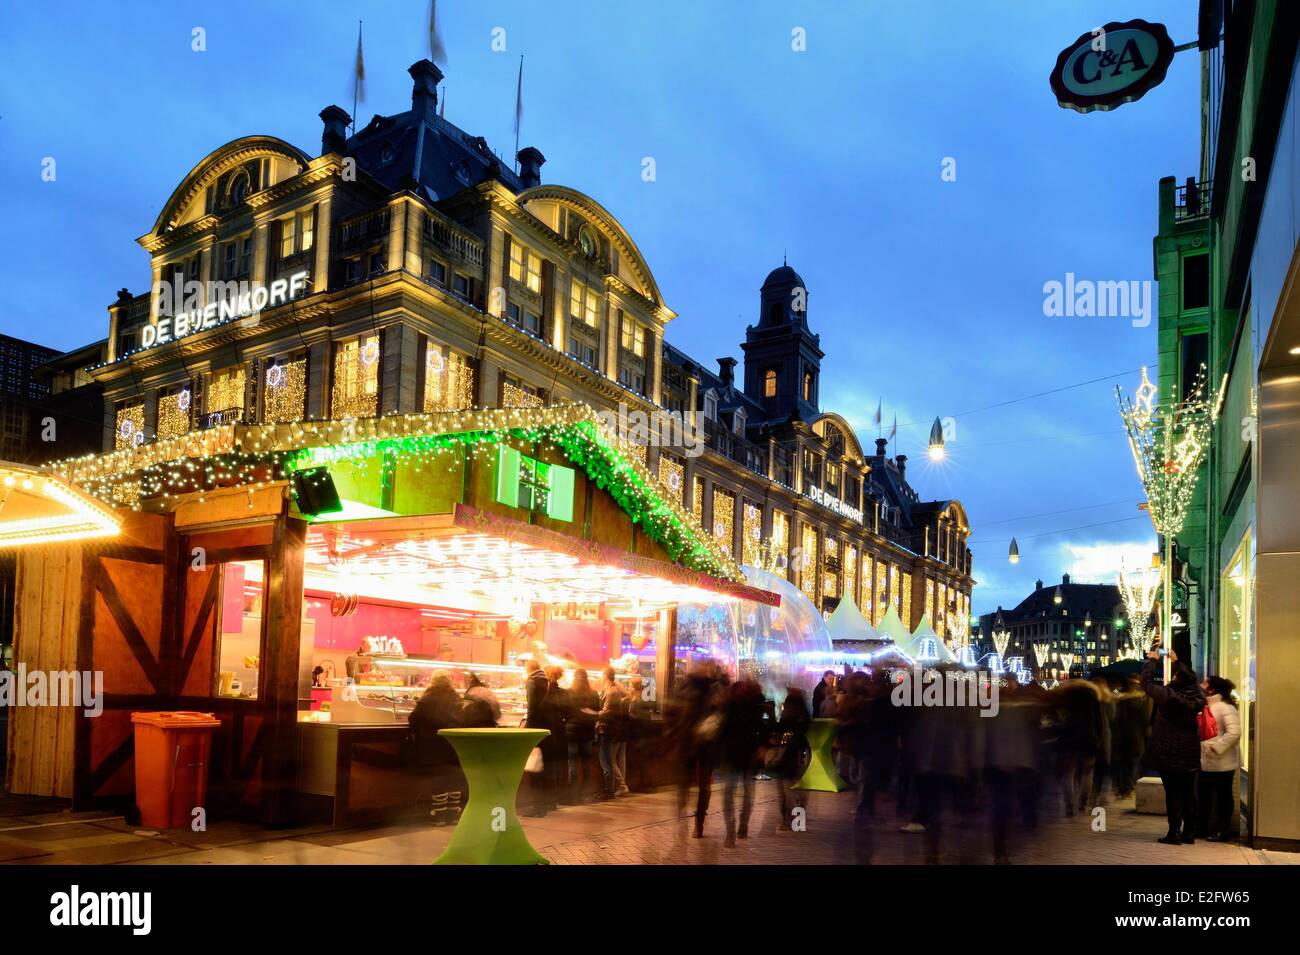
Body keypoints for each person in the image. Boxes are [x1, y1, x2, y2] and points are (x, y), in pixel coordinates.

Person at [1141, 648, 1206, 845]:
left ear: (1177, 679)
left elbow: (1147, 683)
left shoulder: (1169, 696)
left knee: (1173, 794)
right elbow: (1191, 681)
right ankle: (1189, 833)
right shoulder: (1197, 697)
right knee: (1189, 793)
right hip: (1190, 753)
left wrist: (1151, 661)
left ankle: (1174, 832)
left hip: (1169, 752)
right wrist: (1177, 662)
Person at [408, 672, 465, 825]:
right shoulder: (456, 698)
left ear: (433, 682)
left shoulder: (427, 698)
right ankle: (453, 815)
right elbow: (463, 718)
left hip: (433, 744)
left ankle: (439, 817)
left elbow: (413, 719)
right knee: (453, 779)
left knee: (439, 779)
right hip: (453, 744)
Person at [719, 670, 766, 847]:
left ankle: (731, 830)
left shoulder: (729, 701)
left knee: (729, 792)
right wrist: (762, 746)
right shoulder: (756, 700)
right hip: (748, 752)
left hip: (732, 752)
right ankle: (742, 825)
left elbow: (722, 727)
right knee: (747, 790)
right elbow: (762, 726)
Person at [1198, 675, 1241, 841]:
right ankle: (1202, 828)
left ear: (1212, 689)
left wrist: (1216, 747)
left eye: (1205, 682)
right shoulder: (1207, 705)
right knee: (1204, 796)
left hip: (1222, 762)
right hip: (1206, 761)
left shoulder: (1225, 707)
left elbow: (1234, 733)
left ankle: (1223, 831)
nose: (1201, 684)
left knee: (1223, 797)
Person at [770, 686, 811, 829]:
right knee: (794, 790)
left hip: (789, 758)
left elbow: (777, 736)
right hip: (794, 757)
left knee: (787, 791)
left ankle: (789, 821)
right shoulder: (802, 720)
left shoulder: (789, 720)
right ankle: (796, 821)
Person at [521, 658, 553, 816]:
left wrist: (528, 728)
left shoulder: (532, 681)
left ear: (528, 667)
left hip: (535, 728)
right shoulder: (546, 680)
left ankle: (537, 807)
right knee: (542, 768)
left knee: (534, 768)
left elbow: (531, 707)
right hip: (546, 727)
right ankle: (544, 804)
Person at [565, 668, 600, 802]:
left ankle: (573, 796)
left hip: (572, 733)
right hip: (587, 733)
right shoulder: (594, 694)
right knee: (586, 766)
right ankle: (584, 794)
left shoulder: (569, 693)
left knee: (572, 765)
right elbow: (597, 711)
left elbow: (565, 711)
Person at [596, 666, 629, 798]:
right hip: (611, 730)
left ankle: (610, 790)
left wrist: (592, 714)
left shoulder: (611, 692)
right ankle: (613, 788)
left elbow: (607, 712)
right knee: (611, 760)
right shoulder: (611, 691)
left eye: (602, 674)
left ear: (605, 676)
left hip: (607, 729)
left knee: (608, 760)